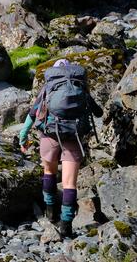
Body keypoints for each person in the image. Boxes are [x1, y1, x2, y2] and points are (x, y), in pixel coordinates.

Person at [18, 59, 103, 239]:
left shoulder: (49, 86)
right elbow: (98, 112)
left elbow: (33, 113)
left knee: (49, 172)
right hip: (74, 137)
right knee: (69, 184)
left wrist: (23, 136)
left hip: (50, 135)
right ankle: (66, 226)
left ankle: (50, 211)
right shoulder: (80, 85)